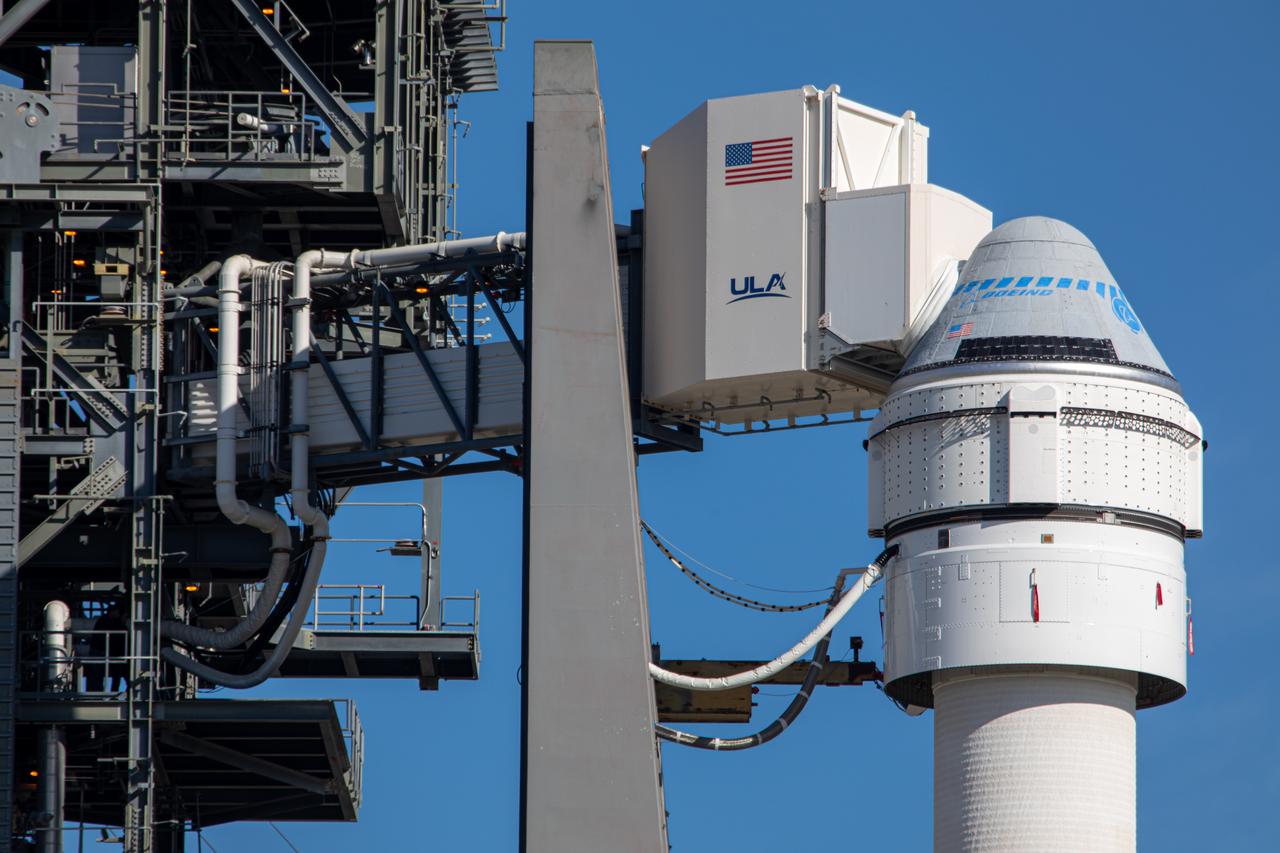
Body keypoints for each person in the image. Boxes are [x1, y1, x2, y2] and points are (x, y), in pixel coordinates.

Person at [84, 603, 126, 694]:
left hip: (108, 652)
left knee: (100, 675)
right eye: (117, 612)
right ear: (113, 612)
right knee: (99, 674)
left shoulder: (103, 621)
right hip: (103, 652)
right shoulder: (109, 622)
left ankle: (101, 693)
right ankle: (103, 693)